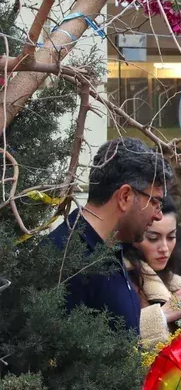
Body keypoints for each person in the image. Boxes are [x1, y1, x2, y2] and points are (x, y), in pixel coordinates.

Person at [49, 137, 173, 333]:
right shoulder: (64, 259)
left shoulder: (111, 249)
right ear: (125, 196)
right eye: (155, 202)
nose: (158, 215)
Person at [124, 197, 181, 346]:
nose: (164, 248)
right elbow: (117, 337)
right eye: (153, 238)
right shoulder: (121, 280)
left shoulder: (177, 282)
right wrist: (162, 315)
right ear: (134, 237)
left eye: (171, 237)